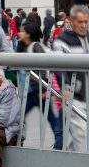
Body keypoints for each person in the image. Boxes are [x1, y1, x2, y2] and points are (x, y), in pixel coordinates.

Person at [53, 5, 89, 152]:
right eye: (80, 22)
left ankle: (66, 165)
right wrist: (65, 88)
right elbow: (58, 66)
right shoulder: (61, 40)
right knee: (81, 135)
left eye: (86, 21)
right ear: (71, 21)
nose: (84, 25)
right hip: (74, 95)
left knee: (80, 136)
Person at [17, 21, 63, 149]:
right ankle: (18, 139)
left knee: (50, 117)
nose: (19, 33)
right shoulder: (23, 47)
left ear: (28, 34)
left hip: (38, 91)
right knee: (20, 115)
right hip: (31, 91)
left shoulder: (36, 46)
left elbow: (43, 69)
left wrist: (43, 88)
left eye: (21, 31)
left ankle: (59, 143)